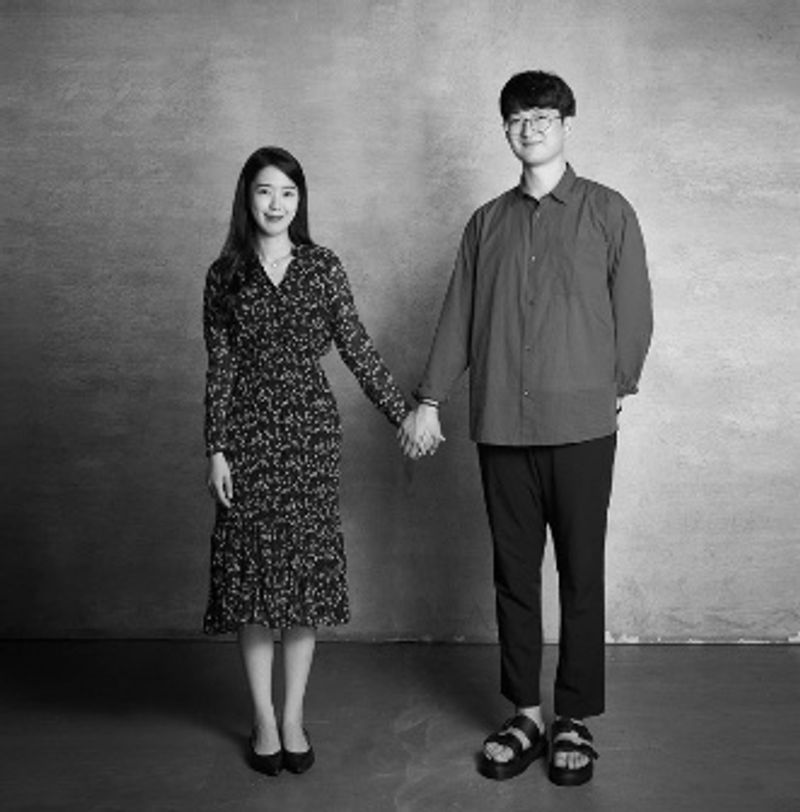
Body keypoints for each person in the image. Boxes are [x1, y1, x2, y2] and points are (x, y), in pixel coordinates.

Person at [399, 71, 653, 786]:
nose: (530, 127)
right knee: (513, 576)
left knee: (580, 573)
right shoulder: (485, 224)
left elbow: (634, 309)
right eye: (516, 118)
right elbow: (458, 316)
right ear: (505, 131)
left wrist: (613, 387)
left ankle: (574, 717)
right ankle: (526, 714)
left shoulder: (608, 211)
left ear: (567, 125)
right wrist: (428, 398)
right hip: (502, 426)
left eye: (543, 115)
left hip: (582, 428)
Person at [203, 146, 410, 776]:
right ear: (247, 197)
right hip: (246, 439)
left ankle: (293, 715)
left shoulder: (322, 267)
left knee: (300, 582)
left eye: (288, 192)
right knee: (251, 583)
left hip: (310, 439)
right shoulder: (224, 275)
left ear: (301, 200)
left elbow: (356, 347)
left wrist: (404, 414)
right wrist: (216, 448)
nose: (276, 204)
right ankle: (263, 719)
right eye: (265, 191)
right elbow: (220, 367)